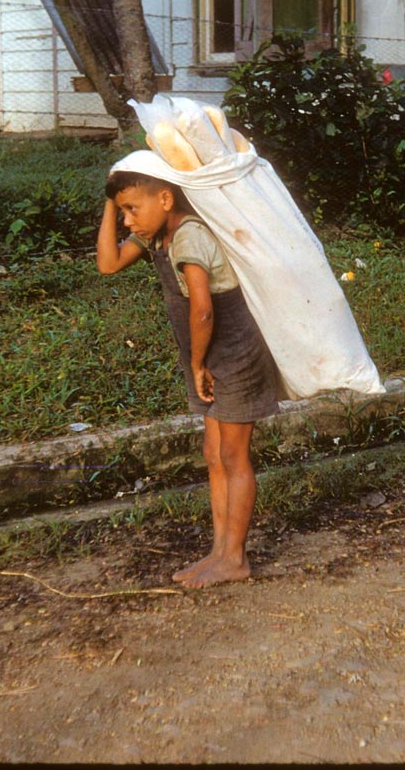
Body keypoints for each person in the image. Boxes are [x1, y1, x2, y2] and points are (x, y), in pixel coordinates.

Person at [96, 171, 280, 588]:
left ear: (165, 198)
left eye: (132, 209)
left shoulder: (190, 235)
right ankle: (220, 551)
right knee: (213, 454)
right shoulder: (156, 234)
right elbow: (107, 264)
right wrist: (112, 197)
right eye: (122, 211)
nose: (127, 221)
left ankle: (235, 558)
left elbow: (203, 310)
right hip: (205, 353)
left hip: (231, 352)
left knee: (234, 456)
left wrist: (198, 365)